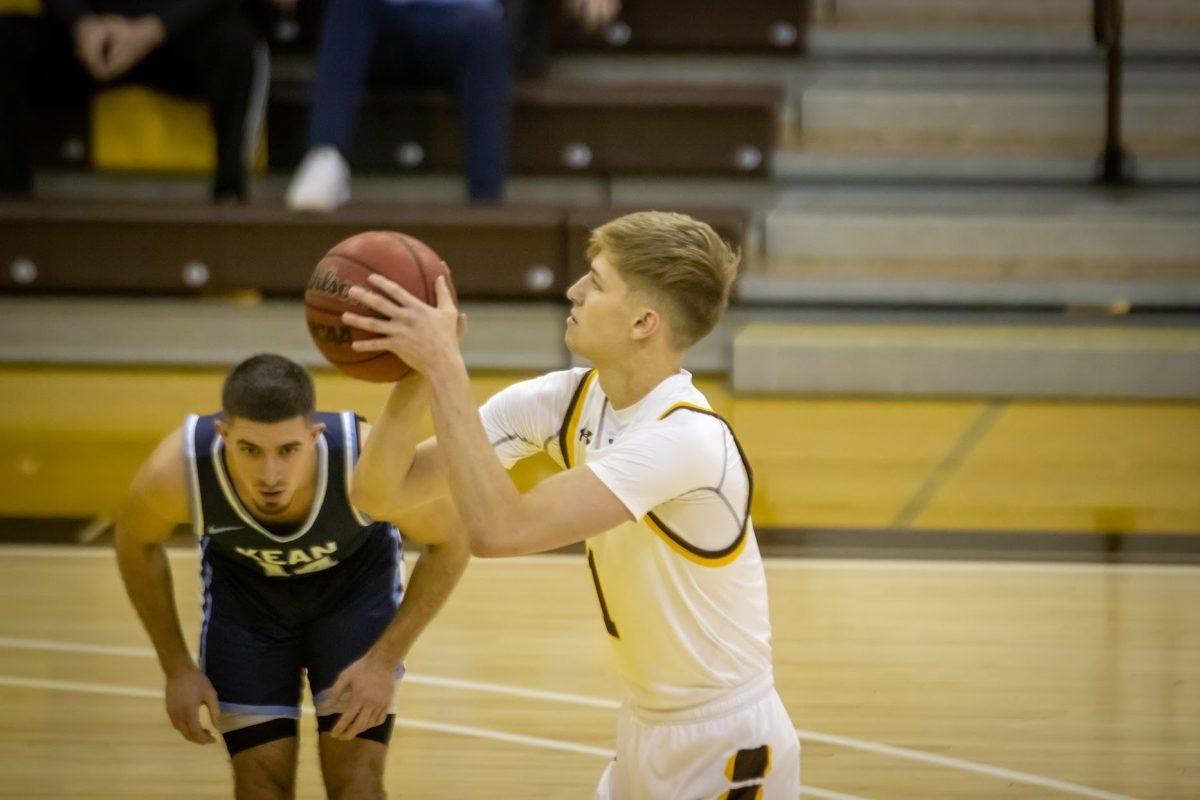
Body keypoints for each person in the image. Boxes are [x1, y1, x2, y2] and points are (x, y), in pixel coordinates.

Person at [345, 211, 801, 798]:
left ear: (643, 321)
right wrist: (413, 375)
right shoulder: (566, 400)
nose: (574, 291)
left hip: (724, 745)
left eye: (596, 281)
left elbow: (499, 531)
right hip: (643, 727)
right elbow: (380, 492)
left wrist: (444, 367)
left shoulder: (685, 439)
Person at [114, 353, 468, 799]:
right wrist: (177, 667)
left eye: (287, 450)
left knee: (357, 784)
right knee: (262, 787)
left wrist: (383, 659)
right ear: (223, 435)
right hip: (248, 607)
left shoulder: (363, 458)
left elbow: (451, 541)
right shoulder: (177, 472)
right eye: (249, 450)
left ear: (314, 436)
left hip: (352, 598)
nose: (270, 475)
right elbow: (134, 542)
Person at [0, 0, 266, 202]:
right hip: (88, 38)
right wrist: (80, 22)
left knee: (237, 43)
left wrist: (155, 28)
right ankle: (10, 199)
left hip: (177, 33)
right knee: (7, 39)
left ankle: (230, 193)